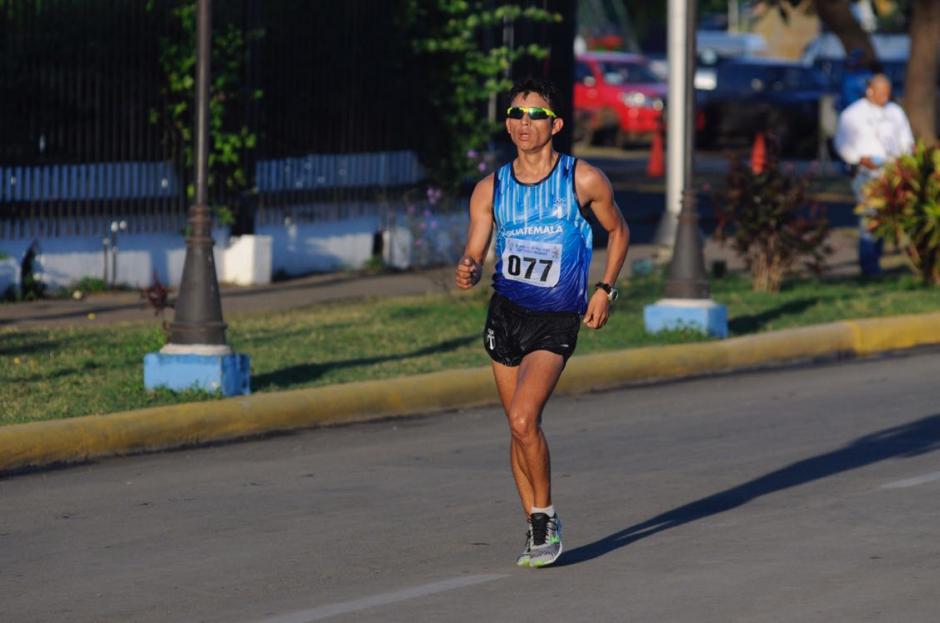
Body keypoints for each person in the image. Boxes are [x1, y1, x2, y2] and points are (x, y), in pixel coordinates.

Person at [455, 78, 630, 568]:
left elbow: (618, 232)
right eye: (515, 113)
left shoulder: (583, 179)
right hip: (506, 315)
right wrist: (468, 267)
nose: (523, 123)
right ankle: (534, 526)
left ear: (555, 125)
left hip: (555, 318)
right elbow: (474, 250)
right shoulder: (491, 189)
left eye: (534, 115)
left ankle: (544, 518)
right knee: (518, 430)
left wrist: (606, 288)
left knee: (522, 418)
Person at [834, 73, 914, 276]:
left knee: (886, 217)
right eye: (881, 94)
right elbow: (842, 143)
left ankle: (876, 258)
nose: (885, 98)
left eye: (888, 94)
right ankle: (869, 264)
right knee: (870, 216)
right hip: (866, 173)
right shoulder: (853, 115)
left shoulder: (895, 112)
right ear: (870, 91)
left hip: (891, 172)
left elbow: (906, 139)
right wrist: (859, 158)